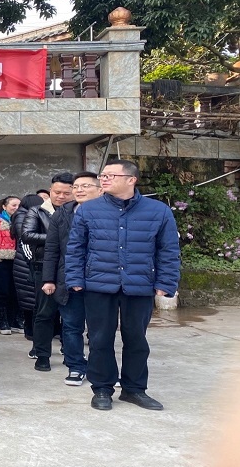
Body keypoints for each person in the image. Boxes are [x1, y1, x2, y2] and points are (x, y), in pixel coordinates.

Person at [65, 159, 180, 411]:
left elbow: (168, 250)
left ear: (131, 179)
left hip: (139, 284)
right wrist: (74, 279)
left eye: (111, 175)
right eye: (103, 175)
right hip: (98, 284)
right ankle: (102, 389)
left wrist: (166, 282)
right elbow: (75, 248)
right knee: (99, 339)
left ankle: (134, 389)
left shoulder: (158, 211)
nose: (104, 179)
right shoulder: (88, 210)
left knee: (137, 339)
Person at [40, 172, 102, 386]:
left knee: (100, 328)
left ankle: (100, 368)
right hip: (67, 279)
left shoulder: (110, 213)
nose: (79, 190)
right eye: (76, 187)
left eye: (85, 186)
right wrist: (48, 279)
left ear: (100, 189)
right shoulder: (62, 213)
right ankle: (76, 366)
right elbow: (52, 249)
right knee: (71, 326)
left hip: (100, 280)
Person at [22, 172, 74, 371]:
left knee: (71, 315)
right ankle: (42, 354)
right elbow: (27, 235)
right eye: (57, 192)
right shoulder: (37, 211)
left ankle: (71, 353)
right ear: (50, 190)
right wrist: (57, 239)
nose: (61, 196)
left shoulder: (78, 211)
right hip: (43, 266)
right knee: (44, 312)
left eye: (66, 193)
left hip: (71, 267)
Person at [12, 194, 44, 349]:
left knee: (31, 299)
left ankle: (32, 332)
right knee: (30, 299)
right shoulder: (23, 216)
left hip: (27, 261)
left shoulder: (23, 215)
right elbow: (26, 240)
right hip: (26, 263)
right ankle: (31, 332)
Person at [0, 196, 21, 334]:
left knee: (16, 292)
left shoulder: (22, 220)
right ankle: (2, 321)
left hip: (18, 260)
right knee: (2, 291)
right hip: (1, 260)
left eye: (19, 205)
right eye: (13, 205)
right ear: (5, 207)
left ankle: (14, 321)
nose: (16, 208)